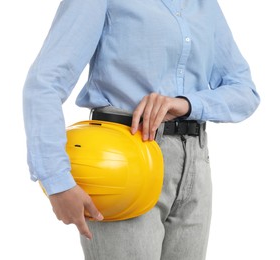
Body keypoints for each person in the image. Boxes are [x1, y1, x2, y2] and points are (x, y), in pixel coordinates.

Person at [23, 0, 260, 259]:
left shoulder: (205, 5)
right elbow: (44, 82)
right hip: (122, 161)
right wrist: (56, 181)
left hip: (195, 164)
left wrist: (186, 104)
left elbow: (244, 91)